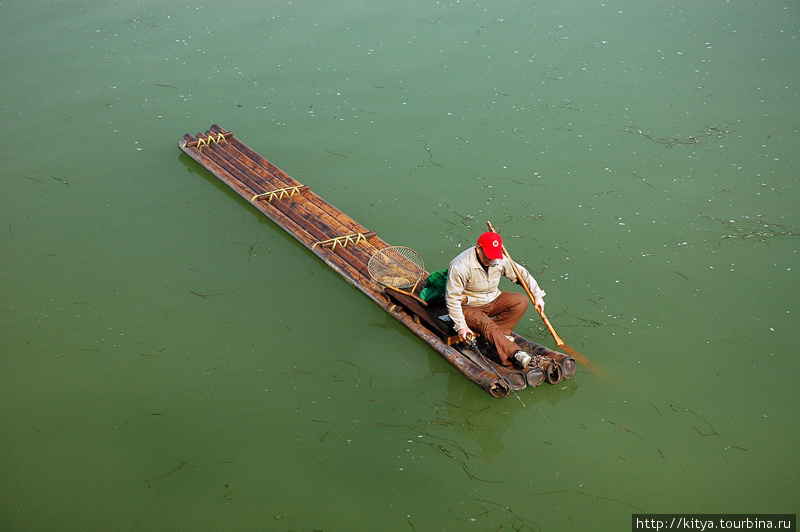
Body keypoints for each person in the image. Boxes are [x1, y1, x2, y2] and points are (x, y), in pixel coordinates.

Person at [445, 231, 545, 368]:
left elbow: (520, 274)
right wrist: (461, 326)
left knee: (521, 301)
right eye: (488, 256)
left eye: (494, 255)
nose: (492, 260)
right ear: (478, 249)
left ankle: (498, 338)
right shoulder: (460, 266)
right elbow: (452, 299)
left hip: (492, 299)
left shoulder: (498, 259)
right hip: (469, 306)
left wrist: (537, 295)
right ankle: (514, 353)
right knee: (487, 324)